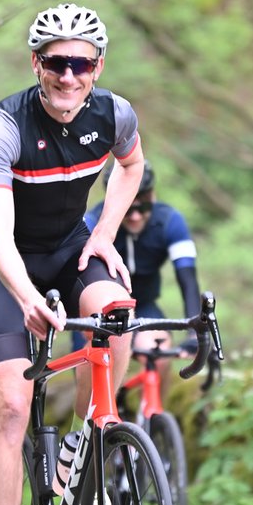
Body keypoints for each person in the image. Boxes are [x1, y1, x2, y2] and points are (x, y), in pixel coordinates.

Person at [0, 3, 146, 505]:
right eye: (57, 63)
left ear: (98, 66)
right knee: (11, 404)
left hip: (68, 246)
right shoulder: (1, 127)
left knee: (118, 312)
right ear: (36, 63)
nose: (69, 77)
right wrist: (26, 299)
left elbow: (132, 167)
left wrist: (105, 234)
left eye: (82, 64)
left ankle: (90, 434)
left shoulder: (114, 113)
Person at [83, 160, 202, 373]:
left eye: (143, 206)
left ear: (153, 196)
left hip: (144, 304)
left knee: (159, 350)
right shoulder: (92, 221)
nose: (135, 216)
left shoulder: (170, 222)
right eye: (128, 208)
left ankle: (154, 407)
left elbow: (188, 278)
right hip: (102, 309)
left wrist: (195, 332)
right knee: (93, 364)